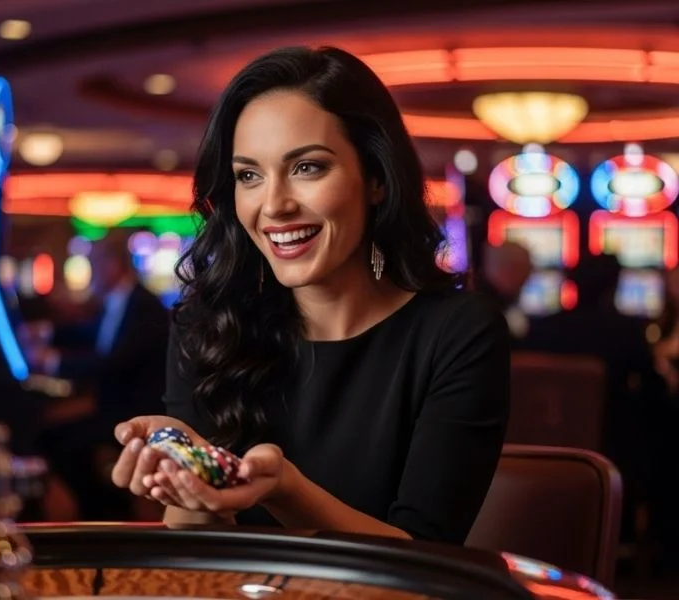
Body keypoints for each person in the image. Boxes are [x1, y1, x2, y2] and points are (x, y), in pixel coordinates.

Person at [111, 46, 510, 543]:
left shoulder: (458, 331)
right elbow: (198, 552)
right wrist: (186, 484)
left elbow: (425, 556)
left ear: (377, 180)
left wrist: (283, 488)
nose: (274, 205)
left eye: (307, 168)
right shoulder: (208, 326)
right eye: (249, 176)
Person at [25, 230, 170, 519]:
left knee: (56, 440)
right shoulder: (121, 300)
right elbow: (93, 334)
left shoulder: (144, 306)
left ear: (113, 266)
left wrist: (52, 363)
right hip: (114, 407)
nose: (90, 274)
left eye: (94, 265)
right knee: (48, 432)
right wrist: (45, 332)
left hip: (135, 414)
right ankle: (97, 507)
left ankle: (99, 514)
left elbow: (114, 363)